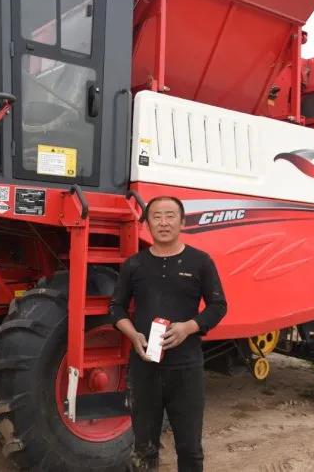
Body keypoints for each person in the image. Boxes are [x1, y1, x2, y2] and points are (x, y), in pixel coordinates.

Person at [109, 196, 227, 472]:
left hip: (186, 369)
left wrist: (189, 327)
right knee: (144, 448)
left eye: (170, 216)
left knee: (190, 448)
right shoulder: (134, 265)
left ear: (182, 222)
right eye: (157, 216)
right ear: (147, 224)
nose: (163, 222)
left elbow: (218, 306)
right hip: (144, 369)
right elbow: (115, 307)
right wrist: (133, 334)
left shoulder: (200, 262)